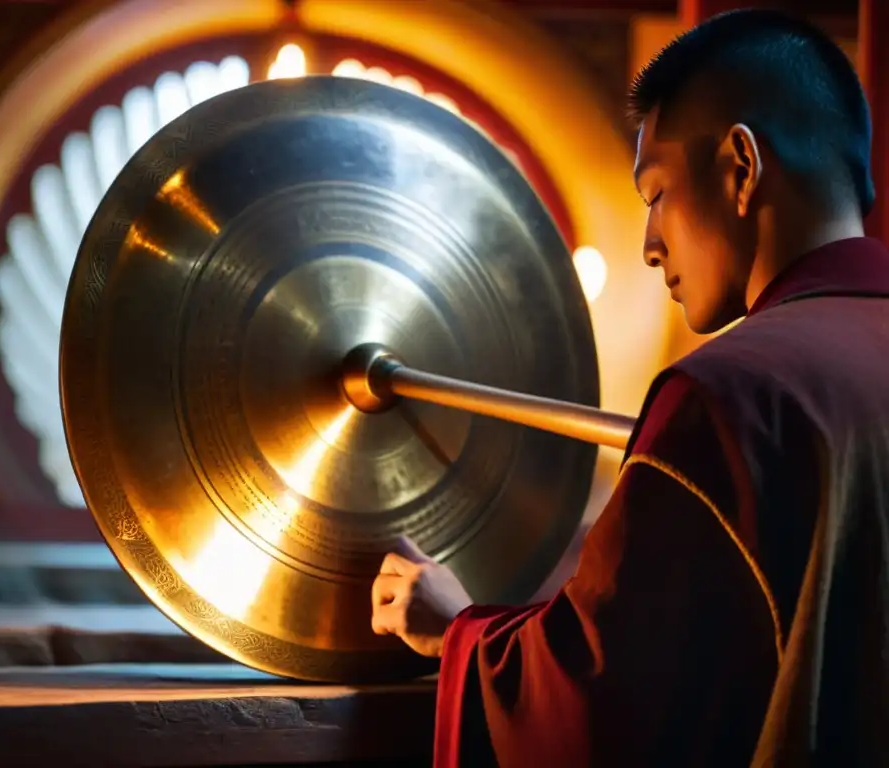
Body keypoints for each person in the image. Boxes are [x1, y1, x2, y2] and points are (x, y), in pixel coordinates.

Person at [370, 9, 889, 766]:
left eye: (655, 193)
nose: (651, 244)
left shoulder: (725, 398)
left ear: (740, 168)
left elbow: (593, 715)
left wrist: (459, 633)